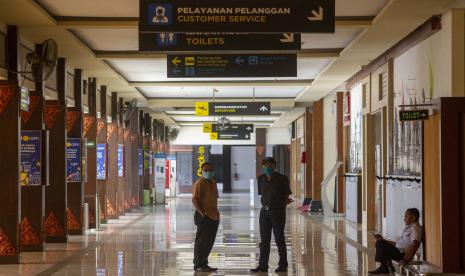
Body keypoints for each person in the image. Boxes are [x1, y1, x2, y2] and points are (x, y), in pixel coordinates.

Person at [251, 157, 293, 273]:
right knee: (264, 240)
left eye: (270, 165)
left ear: (274, 166)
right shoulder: (261, 178)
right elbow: (263, 195)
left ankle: (283, 265)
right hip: (264, 212)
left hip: (277, 212)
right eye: (265, 165)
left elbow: (286, 195)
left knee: (279, 238)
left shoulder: (282, 179)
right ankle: (263, 265)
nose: (267, 168)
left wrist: (281, 206)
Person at [369, 208, 423, 274]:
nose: (404, 218)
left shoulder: (415, 228)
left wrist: (406, 259)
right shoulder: (409, 227)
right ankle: (387, 267)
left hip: (403, 255)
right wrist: (383, 239)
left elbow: (415, 244)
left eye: (406, 216)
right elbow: (398, 244)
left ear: (413, 218)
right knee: (381, 241)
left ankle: (384, 267)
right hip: (399, 251)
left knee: (380, 243)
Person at [192, 162, 219, 272]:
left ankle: (204, 263)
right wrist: (202, 213)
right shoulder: (200, 183)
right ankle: (198, 264)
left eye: (210, 170)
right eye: (205, 170)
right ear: (202, 171)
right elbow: (194, 199)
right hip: (204, 216)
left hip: (213, 216)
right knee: (201, 241)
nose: (208, 172)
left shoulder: (213, 182)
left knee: (209, 241)